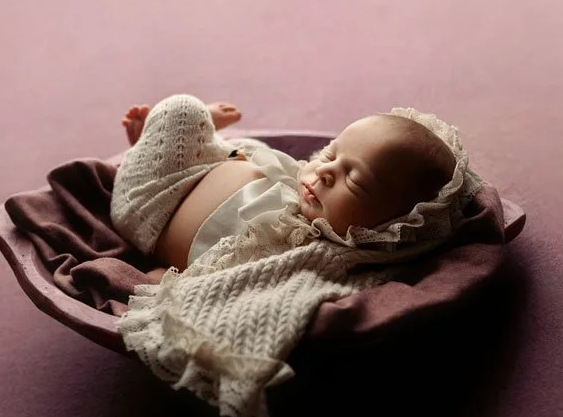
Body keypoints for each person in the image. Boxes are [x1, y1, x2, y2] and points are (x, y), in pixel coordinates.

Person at [110, 94, 457, 279]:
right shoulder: (310, 187)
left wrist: (167, 284)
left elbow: (231, 283)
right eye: (331, 153)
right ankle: (185, 140)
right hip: (209, 163)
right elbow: (264, 161)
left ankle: (156, 145)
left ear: (389, 226)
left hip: (152, 203)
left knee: (181, 109)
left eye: (353, 179)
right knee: (244, 150)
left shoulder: (306, 256)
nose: (325, 172)